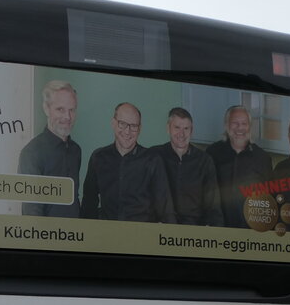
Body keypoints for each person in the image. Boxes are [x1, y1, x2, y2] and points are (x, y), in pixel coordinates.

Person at [80, 103, 176, 222]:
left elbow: (166, 209)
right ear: (113, 123)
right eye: (122, 124)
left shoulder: (153, 160)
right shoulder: (98, 157)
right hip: (107, 230)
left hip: (142, 231)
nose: (127, 131)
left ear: (139, 129)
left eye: (133, 126)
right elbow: (89, 203)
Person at [18, 81, 82, 217]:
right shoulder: (31, 153)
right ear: (46, 109)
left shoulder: (75, 150)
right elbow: (32, 212)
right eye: (60, 109)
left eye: (71, 110)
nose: (67, 117)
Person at [151, 107, 222, 226]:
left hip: (195, 229)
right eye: (177, 127)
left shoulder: (204, 160)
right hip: (162, 228)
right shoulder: (154, 156)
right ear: (168, 128)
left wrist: (215, 231)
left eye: (186, 128)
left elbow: (213, 203)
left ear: (191, 131)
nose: (181, 134)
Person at [205, 105, 272, 228]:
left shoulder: (263, 158)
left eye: (244, 124)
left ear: (249, 126)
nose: (240, 128)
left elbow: (267, 201)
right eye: (235, 123)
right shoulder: (212, 153)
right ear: (226, 125)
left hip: (250, 230)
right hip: (218, 228)